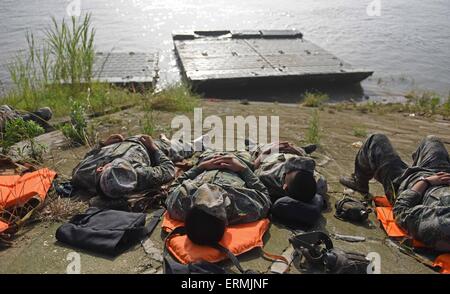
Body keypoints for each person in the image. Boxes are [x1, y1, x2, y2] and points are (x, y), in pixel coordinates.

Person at [340, 133, 450, 251]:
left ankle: (359, 182)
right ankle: (414, 169)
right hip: (440, 175)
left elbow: (401, 211)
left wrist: (425, 182)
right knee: (432, 140)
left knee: (376, 141)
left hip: (408, 184)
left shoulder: (441, 224)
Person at [166, 149, 271, 246]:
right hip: (239, 159)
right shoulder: (244, 208)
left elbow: (173, 186)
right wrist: (243, 169)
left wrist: (200, 167)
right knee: (245, 148)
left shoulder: (179, 206)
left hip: (209, 157)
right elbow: (265, 196)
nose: (210, 188)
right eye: (216, 193)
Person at [71, 134, 175, 210]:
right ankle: (165, 141)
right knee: (173, 147)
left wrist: (103, 144)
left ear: (100, 169)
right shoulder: (139, 175)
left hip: (118, 144)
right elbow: (169, 169)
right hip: (143, 145)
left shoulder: (82, 173)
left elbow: (87, 159)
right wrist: (154, 148)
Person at [251, 141, 327, 227]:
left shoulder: (266, 176)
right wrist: (295, 151)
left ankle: (253, 145)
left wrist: (267, 152)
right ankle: (302, 150)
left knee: (258, 148)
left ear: (285, 187)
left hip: (270, 155)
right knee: (293, 147)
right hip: (293, 154)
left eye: (287, 172)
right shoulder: (319, 182)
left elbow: (252, 168)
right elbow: (307, 162)